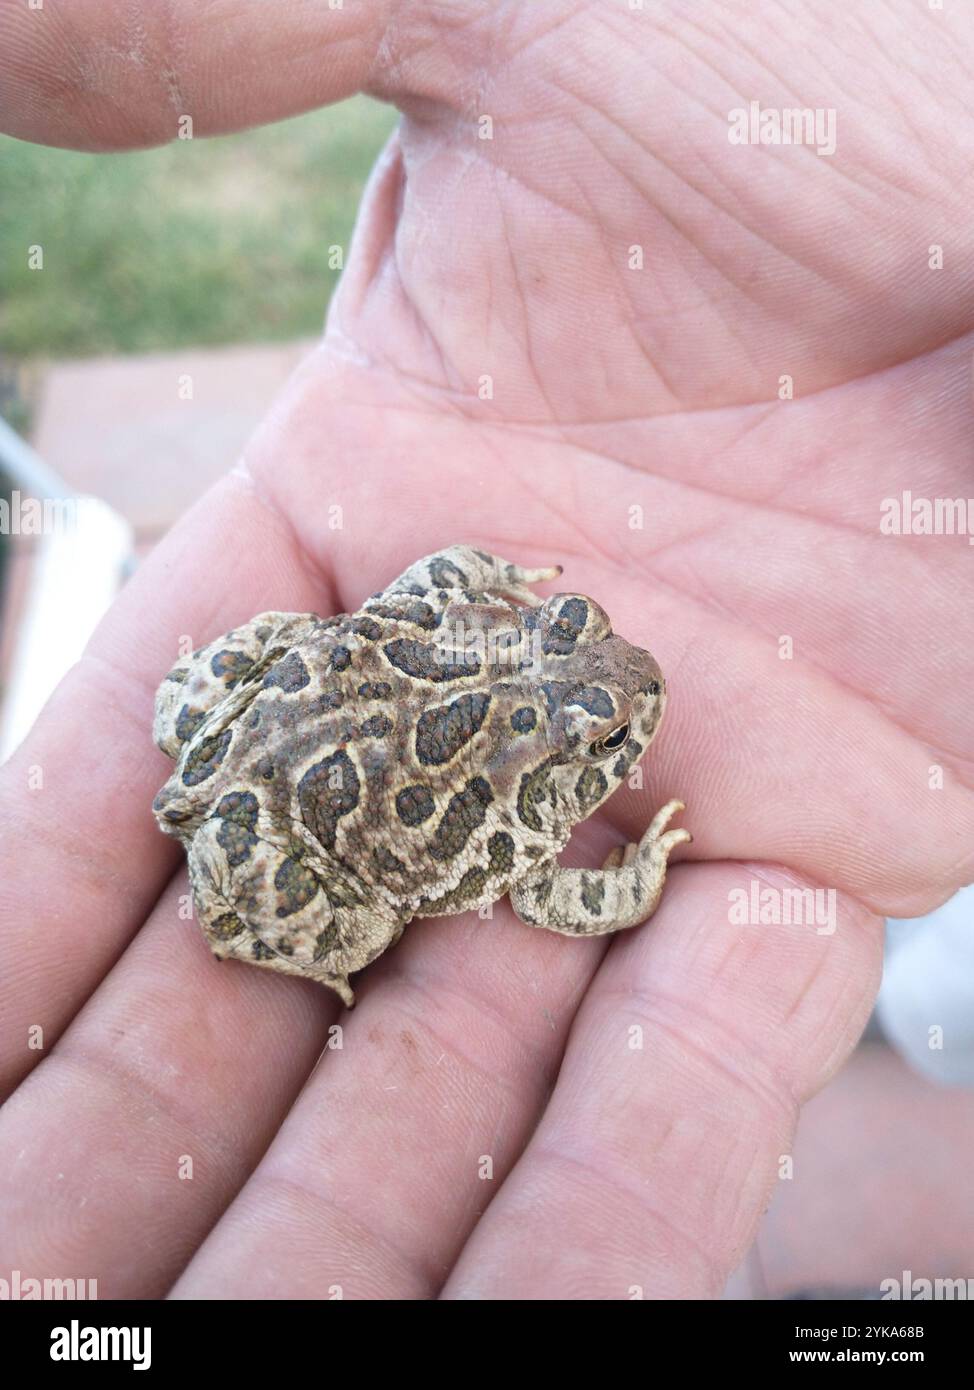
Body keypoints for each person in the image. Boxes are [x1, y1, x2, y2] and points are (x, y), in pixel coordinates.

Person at [0, 0, 971, 1299]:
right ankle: (294, 926)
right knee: (341, 914)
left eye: (576, 651)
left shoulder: (462, 623)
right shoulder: (514, 803)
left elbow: (439, 593)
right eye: (601, 729)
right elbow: (557, 894)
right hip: (279, 810)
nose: (609, 673)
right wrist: (637, 870)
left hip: (267, 702)